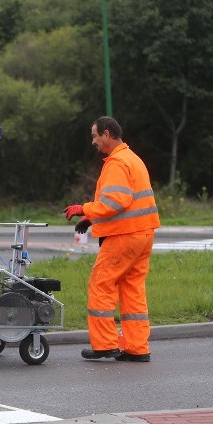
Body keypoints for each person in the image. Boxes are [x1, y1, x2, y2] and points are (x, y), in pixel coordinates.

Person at [64, 116, 161, 362]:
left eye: (95, 136)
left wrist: (84, 209)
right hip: (143, 234)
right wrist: (93, 220)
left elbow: (114, 202)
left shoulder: (117, 162)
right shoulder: (132, 158)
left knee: (101, 285)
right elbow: (127, 203)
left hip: (124, 236)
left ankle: (105, 345)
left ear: (107, 134)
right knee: (132, 291)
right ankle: (137, 348)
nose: (93, 142)